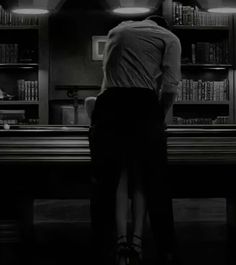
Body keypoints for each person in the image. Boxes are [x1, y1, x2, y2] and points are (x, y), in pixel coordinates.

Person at [87, 13, 181, 265]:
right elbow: (170, 86)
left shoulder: (116, 31)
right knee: (156, 182)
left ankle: (102, 249)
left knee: (104, 182)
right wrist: (157, 115)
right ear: (163, 24)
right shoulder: (169, 37)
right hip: (143, 105)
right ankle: (166, 251)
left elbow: (106, 82)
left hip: (109, 105)